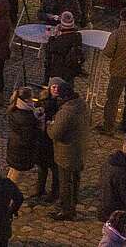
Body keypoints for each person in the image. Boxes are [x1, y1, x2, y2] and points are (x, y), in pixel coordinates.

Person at [45, 78, 89, 221]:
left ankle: (66, 210)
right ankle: (74, 200)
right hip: (79, 147)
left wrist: (49, 125)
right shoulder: (82, 104)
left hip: (66, 152)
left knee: (65, 182)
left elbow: (54, 134)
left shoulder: (66, 112)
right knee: (76, 177)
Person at [5, 87, 55, 201]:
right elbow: (30, 135)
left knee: (13, 172)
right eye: (31, 98)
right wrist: (41, 124)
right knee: (16, 177)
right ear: (26, 100)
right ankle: (7, 199)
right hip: (22, 151)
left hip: (15, 147)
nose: (33, 100)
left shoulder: (16, 109)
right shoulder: (26, 117)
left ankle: (5, 194)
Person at [45, 12, 85, 82]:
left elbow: (50, 48)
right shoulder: (78, 36)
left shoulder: (59, 40)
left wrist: (52, 36)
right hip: (71, 69)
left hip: (58, 70)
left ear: (62, 25)